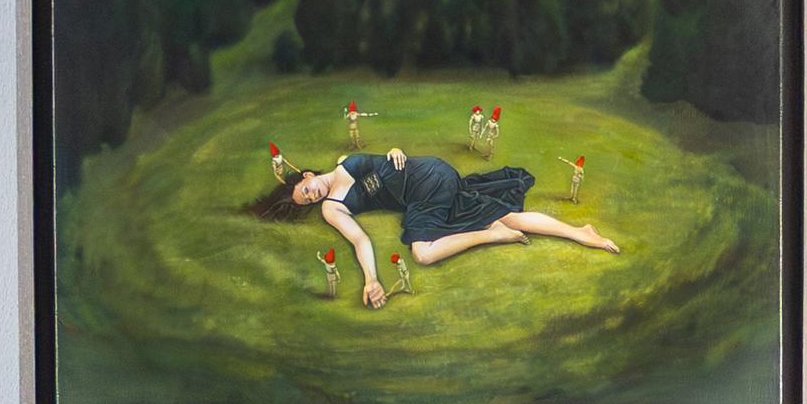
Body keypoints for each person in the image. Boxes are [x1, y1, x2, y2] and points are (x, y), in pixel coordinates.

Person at [253, 149, 617, 308]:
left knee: (423, 253)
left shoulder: (346, 163)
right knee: (498, 214)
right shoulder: (332, 208)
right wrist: (371, 279)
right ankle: (579, 232)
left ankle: (492, 235)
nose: (312, 195)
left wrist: (396, 149)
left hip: (426, 177)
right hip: (427, 188)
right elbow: (360, 239)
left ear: (306, 175)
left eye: (306, 190)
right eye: (306, 201)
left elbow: (390, 158)